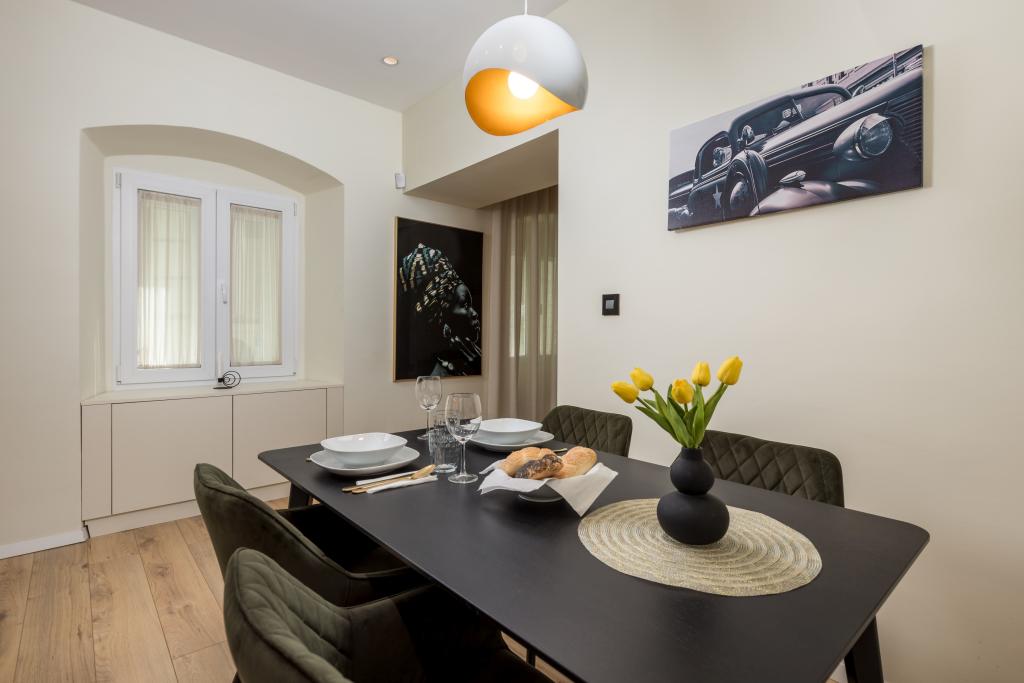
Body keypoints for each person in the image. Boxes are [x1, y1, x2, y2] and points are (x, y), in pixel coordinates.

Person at [398, 243, 482, 376]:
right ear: (442, 319)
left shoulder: (472, 365)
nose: (475, 313)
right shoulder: (440, 375)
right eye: (465, 305)